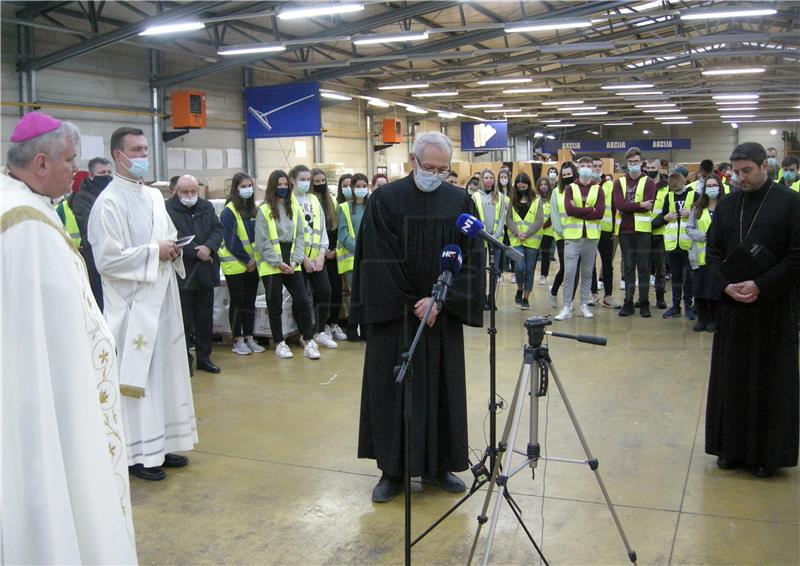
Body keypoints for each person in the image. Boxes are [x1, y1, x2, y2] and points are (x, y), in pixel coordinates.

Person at [2, 112, 137, 564]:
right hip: (46, 396)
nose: (75, 171)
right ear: (40, 163)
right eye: (68, 161)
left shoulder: (22, 205)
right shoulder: (25, 225)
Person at [353, 132, 484, 503]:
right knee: (392, 392)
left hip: (440, 317)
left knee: (441, 390)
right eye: (430, 168)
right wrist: (414, 301)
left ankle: (438, 467)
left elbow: (470, 258)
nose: (436, 175)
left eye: (444, 170)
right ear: (413, 161)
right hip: (397, 317)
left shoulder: (460, 202)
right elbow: (376, 258)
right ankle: (391, 472)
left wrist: (441, 301)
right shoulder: (385, 200)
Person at [88, 126, 198, 483]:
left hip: (161, 301)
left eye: (145, 149)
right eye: (136, 150)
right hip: (133, 309)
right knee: (139, 381)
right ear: (118, 156)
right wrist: (155, 252)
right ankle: (138, 453)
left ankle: (163, 444)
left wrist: (172, 247)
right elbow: (107, 260)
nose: (143, 157)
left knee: (165, 373)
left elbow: (165, 237)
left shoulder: (152, 197)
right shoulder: (108, 202)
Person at [705, 142, 800, 478]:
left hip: (772, 307)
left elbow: (796, 257)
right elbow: (713, 253)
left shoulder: (790, 203)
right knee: (731, 379)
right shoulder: (729, 205)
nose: (739, 178)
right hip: (734, 308)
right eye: (735, 171)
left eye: (747, 171)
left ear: (764, 167)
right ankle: (729, 449)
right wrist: (726, 285)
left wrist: (761, 285)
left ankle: (766, 455)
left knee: (769, 380)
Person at [255, 170, 319, 360]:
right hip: (272, 263)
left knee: (302, 300)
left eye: (285, 184)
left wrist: (296, 259)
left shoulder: (295, 207)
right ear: (272, 187)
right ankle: (280, 342)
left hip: (292, 261)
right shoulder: (264, 210)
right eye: (279, 185)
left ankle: (309, 341)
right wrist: (278, 262)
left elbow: (301, 236)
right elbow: (262, 241)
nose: (282, 188)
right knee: (274, 304)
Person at [166, 174, 224, 375]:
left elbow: (217, 229)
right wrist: (194, 251)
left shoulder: (206, 207)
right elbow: (170, 237)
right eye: (185, 192)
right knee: (183, 319)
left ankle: (204, 358)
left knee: (204, 318)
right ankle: (184, 360)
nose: (190, 195)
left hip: (205, 271)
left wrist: (209, 247)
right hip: (183, 271)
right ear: (176, 191)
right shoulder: (167, 209)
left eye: (193, 191)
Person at [56, 155, 113, 310]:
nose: (107, 176)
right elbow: (91, 229)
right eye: (102, 173)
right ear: (92, 175)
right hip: (93, 260)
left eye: (109, 172)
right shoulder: (83, 197)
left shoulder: (113, 193)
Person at [290, 164, 337, 349]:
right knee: (300, 297)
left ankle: (319, 331)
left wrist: (321, 255)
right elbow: (290, 233)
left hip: (317, 256)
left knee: (325, 291)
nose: (305, 183)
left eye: (307, 179)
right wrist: (303, 259)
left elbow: (322, 229)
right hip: (298, 258)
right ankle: (304, 333)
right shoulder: (290, 201)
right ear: (292, 180)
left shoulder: (314, 200)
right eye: (301, 179)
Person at [219, 173, 266, 355]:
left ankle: (249, 337)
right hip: (237, 265)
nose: (248, 189)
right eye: (243, 186)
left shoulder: (253, 210)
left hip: (252, 265)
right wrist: (247, 260)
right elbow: (231, 240)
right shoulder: (229, 211)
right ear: (235, 189)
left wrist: (255, 260)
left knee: (249, 302)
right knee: (238, 303)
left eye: (250, 185)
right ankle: (237, 339)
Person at [555, 157, 604, 320]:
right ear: (578, 168)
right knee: (569, 273)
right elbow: (569, 210)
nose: (585, 168)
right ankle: (567, 306)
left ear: (592, 169)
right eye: (582, 166)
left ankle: (583, 304)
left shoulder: (598, 189)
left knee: (587, 273)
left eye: (588, 166)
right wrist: (590, 209)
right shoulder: (570, 188)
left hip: (591, 238)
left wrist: (579, 209)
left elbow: (600, 213)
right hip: (572, 238)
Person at [613, 147, 656, 317]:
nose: (633, 165)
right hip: (625, 231)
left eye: (636, 162)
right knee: (628, 267)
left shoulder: (649, 182)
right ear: (626, 164)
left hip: (643, 231)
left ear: (642, 163)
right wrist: (640, 205)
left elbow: (649, 207)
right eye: (630, 162)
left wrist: (631, 207)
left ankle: (644, 302)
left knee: (643, 267)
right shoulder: (619, 183)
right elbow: (619, 205)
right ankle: (628, 301)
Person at [653, 172, 696, 320]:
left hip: (688, 243)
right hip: (672, 244)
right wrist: (665, 218)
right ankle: (676, 306)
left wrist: (691, 213)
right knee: (676, 276)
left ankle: (688, 306)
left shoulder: (694, 195)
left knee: (688, 276)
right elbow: (662, 216)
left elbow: (701, 216)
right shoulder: (669, 197)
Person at [311, 168, 348, 341]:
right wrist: (323, 251)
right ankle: (322, 324)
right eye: (316, 182)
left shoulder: (331, 201)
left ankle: (334, 323)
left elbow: (335, 228)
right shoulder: (310, 202)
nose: (320, 184)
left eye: (322, 181)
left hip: (332, 253)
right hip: (316, 253)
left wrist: (332, 249)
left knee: (336, 290)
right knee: (321, 292)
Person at [685, 175, 721, 332]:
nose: (712, 188)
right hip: (699, 257)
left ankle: (713, 319)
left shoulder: (725, 206)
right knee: (699, 289)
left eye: (715, 185)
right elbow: (689, 229)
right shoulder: (697, 208)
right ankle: (702, 318)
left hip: (718, 258)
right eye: (709, 185)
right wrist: (704, 236)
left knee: (714, 290)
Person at [337, 173, 369, 341]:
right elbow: (342, 234)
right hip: (350, 258)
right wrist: (359, 248)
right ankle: (351, 327)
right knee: (352, 294)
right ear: (352, 188)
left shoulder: (372, 206)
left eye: (364, 186)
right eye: (358, 186)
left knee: (366, 294)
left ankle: (364, 327)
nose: (361, 189)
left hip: (369, 258)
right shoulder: (344, 208)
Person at [507, 172, 543, 310]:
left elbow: (539, 220)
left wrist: (527, 233)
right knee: (519, 267)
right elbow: (508, 218)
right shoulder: (512, 199)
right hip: (516, 240)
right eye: (519, 187)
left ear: (528, 186)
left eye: (524, 187)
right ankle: (519, 288)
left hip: (532, 240)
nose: (521, 189)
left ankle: (526, 299)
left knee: (530, 269)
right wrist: (517, 232)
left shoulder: (537, 200)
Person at [474, 167, 507, 309]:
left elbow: (502, 219)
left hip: (496, 239)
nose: (489, 180)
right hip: (480, 238)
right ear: (482, 180)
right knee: (481, 271)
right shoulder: (475, 196)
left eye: (491, 178)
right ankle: (481, 299)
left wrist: (495, 235)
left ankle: (491, 298)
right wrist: (484, 234)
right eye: (486, 177)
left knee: (494, 271)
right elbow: (474, 216)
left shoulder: (500, 196)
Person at [592, 157, 621, 308]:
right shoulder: (585, 185)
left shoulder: (610, 185)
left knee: (607, 264)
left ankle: (608, 296)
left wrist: (615, 229)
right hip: (589, 230)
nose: (596, 169)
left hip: (606, 230)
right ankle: (593, 294)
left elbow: (615, 208)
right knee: (590, 263)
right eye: (594, 166)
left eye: (599, 166)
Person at [645, 158, 669, 309]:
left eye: (653, 167)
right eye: (647, 167)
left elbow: (668, 212)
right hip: (643, 234)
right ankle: (643, 297)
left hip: (660, 233)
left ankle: (660, 297)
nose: (650, 169)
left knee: (660, 268)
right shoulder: (643, 185)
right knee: (643, 268)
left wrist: (654, 224)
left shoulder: (667, 188)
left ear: (660, 169)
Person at [536, 176, 555, 286]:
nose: (543, 186)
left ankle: (544, 275)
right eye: (541, 184)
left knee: (545, 254)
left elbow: (552, 216)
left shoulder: (552, 198)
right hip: (535, 231)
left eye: (545, 184)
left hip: (547, 231)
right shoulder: (535, 198)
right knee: (533, 253)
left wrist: (542, 226)